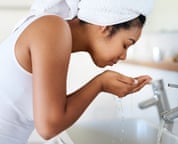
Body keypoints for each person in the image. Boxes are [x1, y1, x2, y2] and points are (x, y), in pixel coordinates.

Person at [0, 0, 154, 143]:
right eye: (126, 44)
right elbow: (49, 127)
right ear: (106, 27)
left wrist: (102, 83)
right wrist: (100, 84)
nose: (123, 56)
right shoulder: (52, 28)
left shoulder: (50, 27)